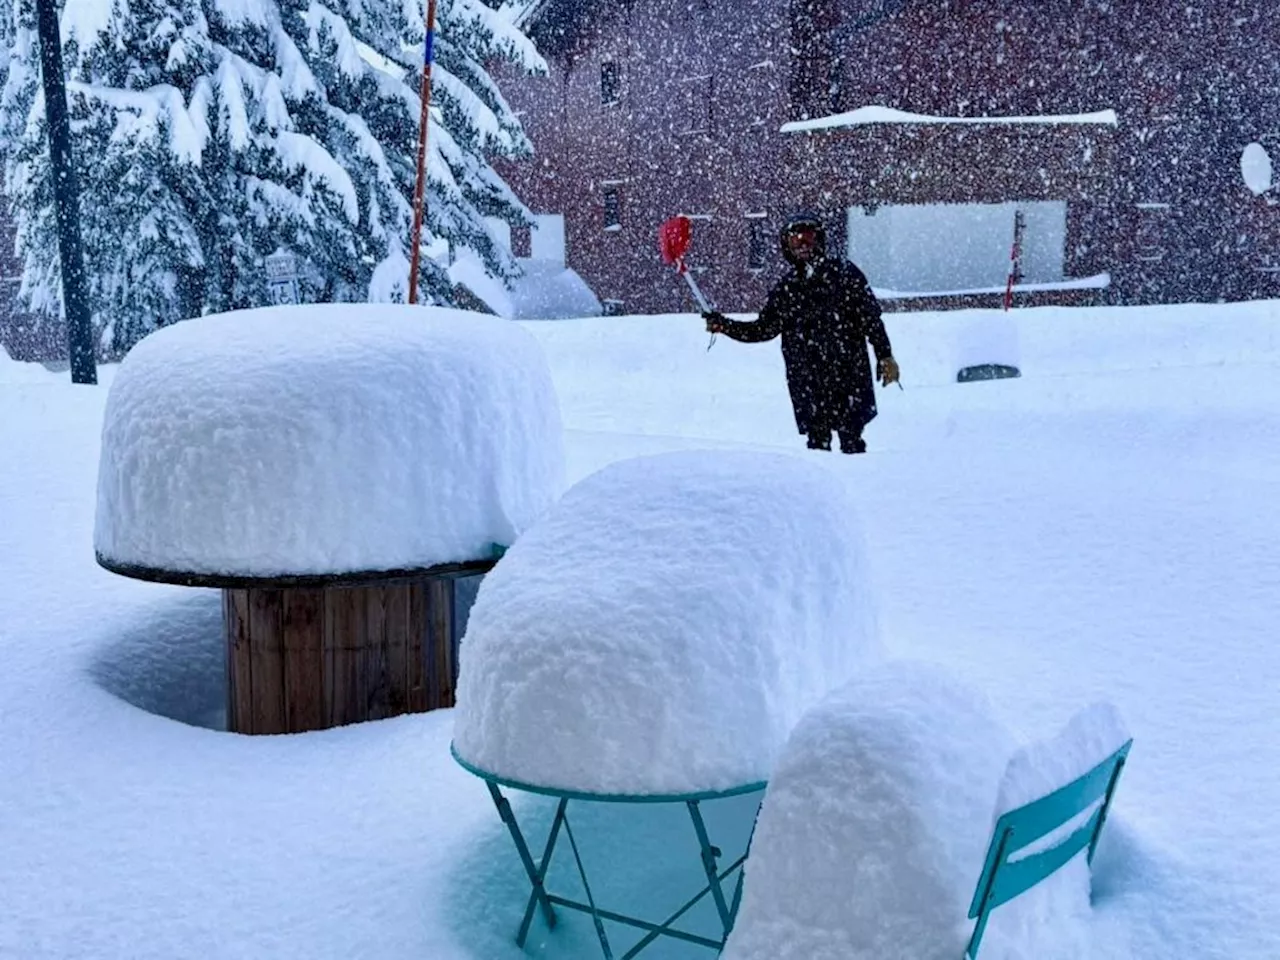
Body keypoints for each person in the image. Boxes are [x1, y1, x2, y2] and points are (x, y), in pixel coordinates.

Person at [703, 212, 900, 454]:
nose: (802, 245)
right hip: (807, 381)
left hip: (848, 374)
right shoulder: (787, 289)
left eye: (807, 237)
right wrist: (724, 325)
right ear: (786, 245)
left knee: (853, 441)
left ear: (820, 240)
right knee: (817, 446)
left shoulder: (845, 274)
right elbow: (762, 330)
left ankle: (857, 487)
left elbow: (872, 320)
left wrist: (885, 355)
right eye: (795, 239)